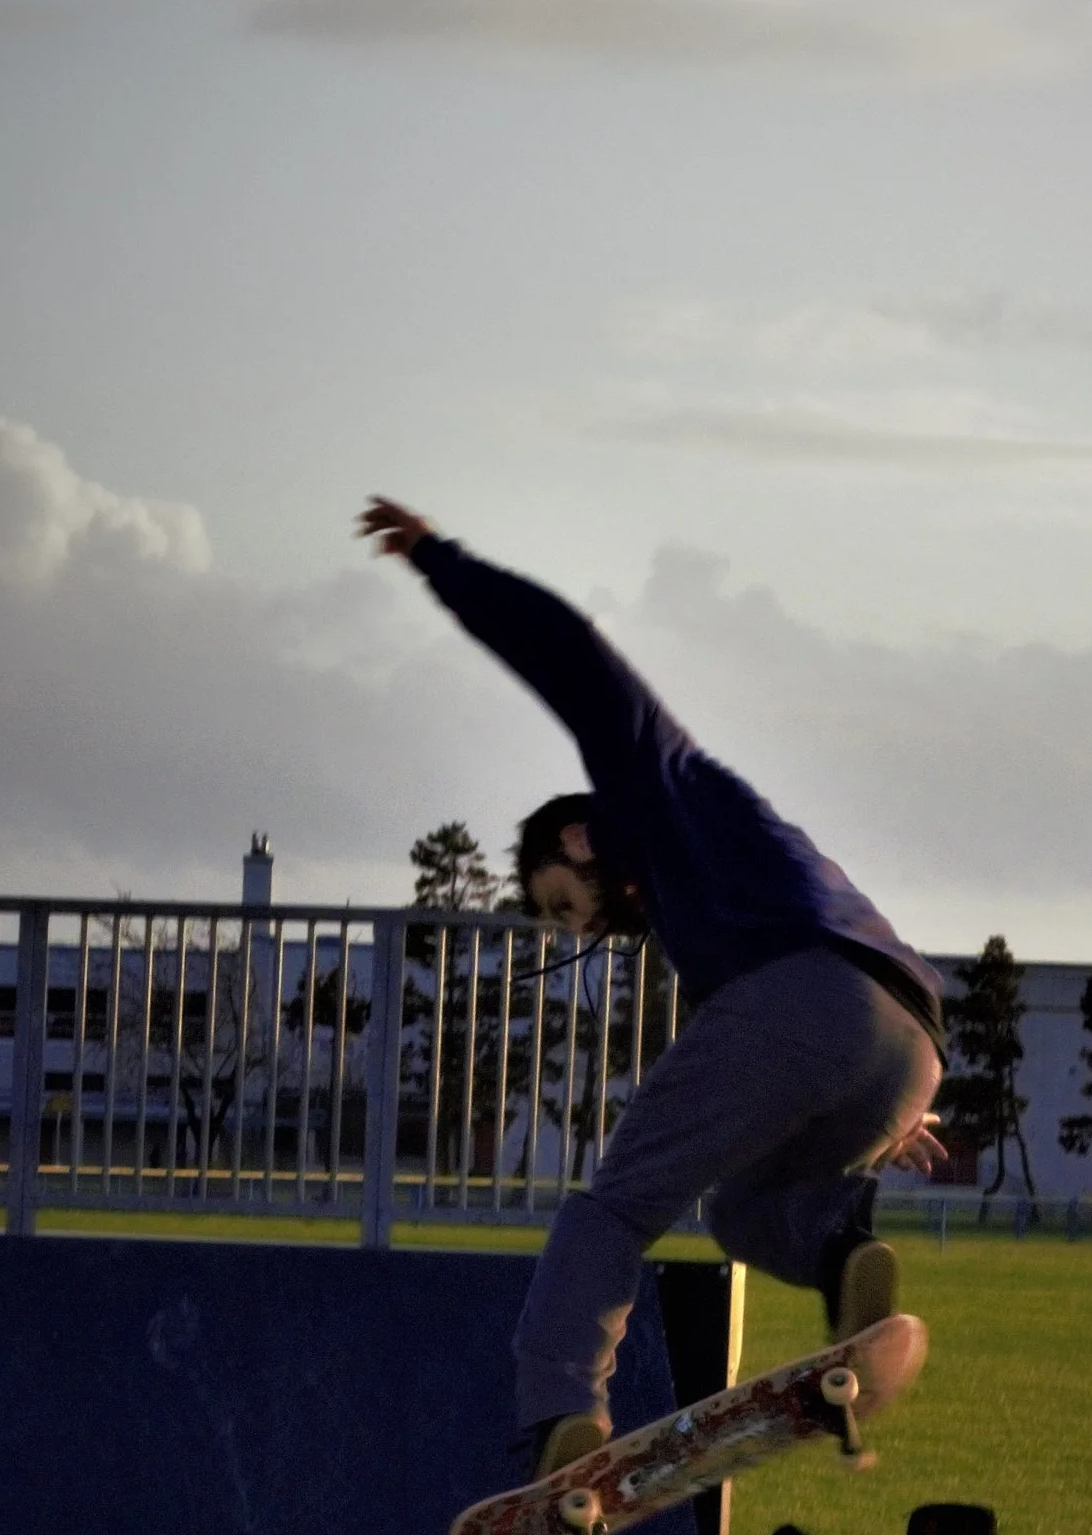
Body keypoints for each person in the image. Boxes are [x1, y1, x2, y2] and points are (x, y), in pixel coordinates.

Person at [358, 501, 943, 1468]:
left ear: (577, 841)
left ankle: (561, 1417)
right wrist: (883, 1101)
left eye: (558, 902)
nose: (574, 927)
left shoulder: (649, 783)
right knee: (740, 1210)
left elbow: (567, 652)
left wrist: (438, 560)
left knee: (615, 1208)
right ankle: (845, 1257)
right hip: (905, 1046)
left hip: (809, 1004)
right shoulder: (697, 892)